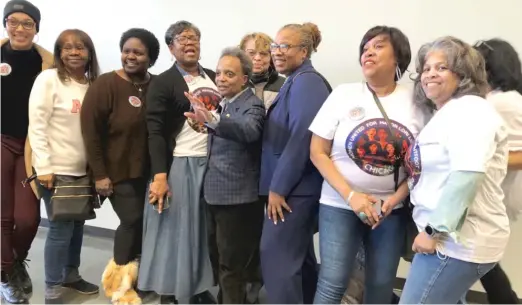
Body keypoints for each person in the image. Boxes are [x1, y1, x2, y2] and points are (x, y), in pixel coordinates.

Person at [309, 25, 430, 304]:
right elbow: (317, 151)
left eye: (378, 46)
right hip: (339, 205)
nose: (368, 53)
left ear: (397, 56)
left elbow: (423, 163)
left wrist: (395, 199)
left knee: (381, 284)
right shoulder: (343, 94)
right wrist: (351, 196)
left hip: (390, 210)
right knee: (332, 282)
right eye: (365, 48)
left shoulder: (417, 101)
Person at [400, 36, 510, 304]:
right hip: (450, 241)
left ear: (463, 74)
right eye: (426, 68)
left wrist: (432, 232)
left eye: (441, 67)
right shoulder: (447, 113)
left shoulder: (470, 111)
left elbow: (467, 176)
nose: (430, 74)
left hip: (455, 243)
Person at [139, 21, 219, 305]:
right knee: (175, 230)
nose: (189, 43)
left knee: (202, 231)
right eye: (182, 39)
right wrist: (160, 175)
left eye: (194, 37)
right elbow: (155, 132)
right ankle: (170, 291)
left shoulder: (213, 76)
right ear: (171, 48)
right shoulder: (163, 82)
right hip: (179, 164)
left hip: (211, 164)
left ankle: (196, 286)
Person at [80, 28, 160, 305]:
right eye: (127, 50)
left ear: (151, 57)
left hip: (150, 172)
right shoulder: (105, 85)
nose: (130, 56)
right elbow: (90, 133)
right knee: (132, 220)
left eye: (138, 52)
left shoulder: (157, 84)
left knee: (146, 224)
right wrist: (100, 175)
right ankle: (118, 284)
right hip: (116, 172)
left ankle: (137, 278)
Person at [186, 47, 265, 304]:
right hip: (214, 195)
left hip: (238, 201)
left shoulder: (251, 103)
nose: (220, 78)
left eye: (229, 74)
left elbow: (250, 130)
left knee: (232, 266)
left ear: (244, 78)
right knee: (219, 260)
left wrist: (212, 119)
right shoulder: (225, 102)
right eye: (219, 73)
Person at [259, 22, 331, 304]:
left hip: (294, 191)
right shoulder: (296, 80)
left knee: (276, 259)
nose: (276, 52)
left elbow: (303, 136)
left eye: (284, 46)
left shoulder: (308, 82)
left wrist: (278, 188)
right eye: (274, 46)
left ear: (304, 52)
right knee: (298, 260)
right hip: (294, 189)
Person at [28, 28, 101, 304]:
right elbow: (37, 126)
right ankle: (52, 287)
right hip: (56, 170)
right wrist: (43, 166)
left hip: (85, 170)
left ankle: (71, 275)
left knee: (78, 224)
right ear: (59, 53)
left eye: (80, 47)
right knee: (60, 229)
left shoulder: (93, 85)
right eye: (67, 47)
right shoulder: (48, 80)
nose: (74, 52)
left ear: (89, 52)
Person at [0, 0, 53, 303]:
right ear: (6, 24)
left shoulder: (45, 63)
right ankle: (6, 275)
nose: (20, 28)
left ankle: (15, 263)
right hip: (0, 138)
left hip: (32, 146)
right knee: (3, 216)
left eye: (27, 23)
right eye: (13, 21)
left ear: (36, 28)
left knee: (28, 218)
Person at [473, 38, 522, 304]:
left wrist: (483, 161)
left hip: (494, 194)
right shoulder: (497, 100)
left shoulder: (505, 102)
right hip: (489, 193)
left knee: (480, 258)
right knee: (481, 258)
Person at [239, 32, 285, 110]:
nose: (257, 58)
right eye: (251, 53)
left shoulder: (285, 85)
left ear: (271, 57)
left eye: (263, 54)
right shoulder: (232, 84)